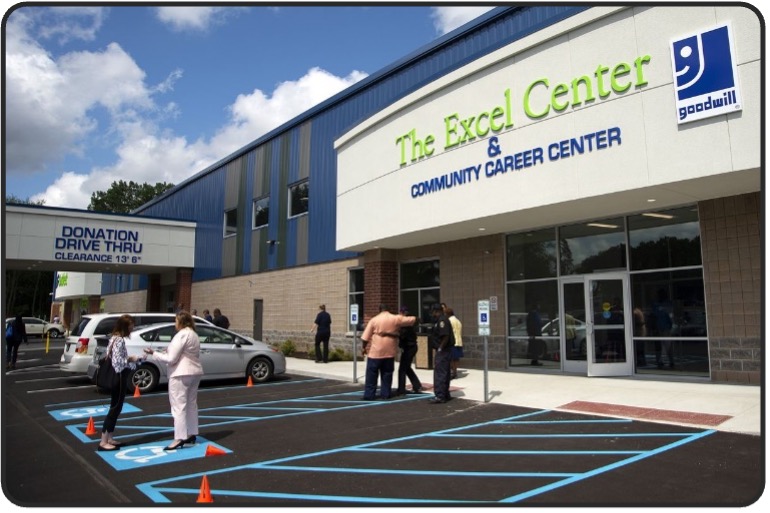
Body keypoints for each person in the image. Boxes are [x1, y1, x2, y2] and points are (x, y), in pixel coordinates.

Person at [144, 311, 204, 451]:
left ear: (181, 322)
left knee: (178, 406)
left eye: (176, 321)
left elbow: (171, 359)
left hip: (180, 373)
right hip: (194, 372)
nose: (175, 324)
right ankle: (191, 432)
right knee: (191, 404)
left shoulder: (181, 335)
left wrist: (154, 353)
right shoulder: (194, 334)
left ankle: (179, 437)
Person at [99, 314, 144, 451]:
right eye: (131, 326)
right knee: (115, 408)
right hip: (118, 377)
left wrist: (133, 359)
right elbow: (118, 362)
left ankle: (109, 437)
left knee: (116, 407)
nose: (132, 328)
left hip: (118, 376)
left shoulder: (114, 338)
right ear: (125, 326)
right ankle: (103, 441)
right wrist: (132, 359)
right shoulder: (119, 340)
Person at [360, 304, 416, 401]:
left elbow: (365, 337)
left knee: (372, 374)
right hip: (389, 352)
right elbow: (413, 320)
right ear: (388, 309)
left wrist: (364, 348)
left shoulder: (374, 320)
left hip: (376, 352)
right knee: (387, 374)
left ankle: (369, 395)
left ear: (379, 310)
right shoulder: (395, 318)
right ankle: (385, 394)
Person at [429, 303, 455, 403]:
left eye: (433, 312)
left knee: (440, 373)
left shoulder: (442, 320)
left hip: (443, 351)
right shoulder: (440, 320)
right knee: (444, 373)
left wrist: (440, 348)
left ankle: (440, 395)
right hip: (444, 350)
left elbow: (445, 336)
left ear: (437, 311)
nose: (432, 314)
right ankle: (445, 394)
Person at [395, 306, 422, 395]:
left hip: (409, 348)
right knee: (406, 368)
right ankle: (417, 385)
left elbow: (402, 336)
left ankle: (401, 389)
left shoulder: (406, 324)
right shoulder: (408, 323)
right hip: (410, 347)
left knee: (402, 369)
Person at [444, 306, 463, 380]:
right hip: (459, 342)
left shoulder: (449, 321)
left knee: (451, 358)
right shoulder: (458, 321)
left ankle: (451, 372)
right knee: (456, 358)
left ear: (448, 314)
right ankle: (455, 372)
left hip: (452, 342)